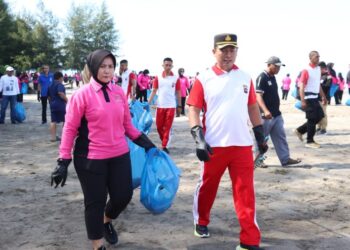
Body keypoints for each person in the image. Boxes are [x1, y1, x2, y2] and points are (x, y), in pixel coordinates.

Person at [50, 49, 156, 250]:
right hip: (90, 158)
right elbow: (70, 129)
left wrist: (147, 143)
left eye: (110, 66)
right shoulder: (81, 95)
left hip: (119, 155)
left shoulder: (118, 93)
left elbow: (128, 126)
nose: (107, 71)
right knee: (94, 203)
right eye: (102, 66)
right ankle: (97, 245)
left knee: (123, 196)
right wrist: (63, 161)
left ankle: (106, 220)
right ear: (92, 68)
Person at [187, 33, 268, 250]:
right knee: (207, 188)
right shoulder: (203, 78)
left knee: (245, 193)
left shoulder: (245, 77)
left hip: (242, 145)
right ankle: (201, 220)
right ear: (214, 52)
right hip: (214, 146)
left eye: (232, 49)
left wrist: (259, 134)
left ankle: (250, 240)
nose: (228, 54)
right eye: (223, 50)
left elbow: (252, 106)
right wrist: (198, 138)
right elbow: (193, 107)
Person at [255, 57, 301, 167]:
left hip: (276, 114)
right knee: (262, 139)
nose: (278, 68)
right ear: (269, 65)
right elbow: (258, 96)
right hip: (265, 116)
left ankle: (285, 159)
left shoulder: (273, 78)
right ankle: (258, 160)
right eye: (276, 66)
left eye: (279, 66)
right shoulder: (262, 77)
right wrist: (265, 111)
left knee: (281, 137)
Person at [148, 57, 182, 154]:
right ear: (163, 65)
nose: (168, 67)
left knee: (167, 127)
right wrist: (148, 102)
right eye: (166, 65)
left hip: (171, 106)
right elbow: (154, 91)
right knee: (159, 126)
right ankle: (165, 140)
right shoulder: (158, 77)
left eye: (169, 65)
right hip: (160, 106)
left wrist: (179, 106)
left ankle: (164, 146)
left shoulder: (175, 78)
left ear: (172, 66)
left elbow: (178, 92)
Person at [294, 51, 327, 148]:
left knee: (320, 116)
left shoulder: (318, 69)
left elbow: (318, 84)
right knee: (312, 119)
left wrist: (323, 96)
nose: (318, 58)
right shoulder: (306, 70)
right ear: (311, 58)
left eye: (319, 57)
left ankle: (300, 130)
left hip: (315, 98)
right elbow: (301, 86)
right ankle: (310, 141)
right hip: (308, 98)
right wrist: (303, 100)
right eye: (316, 57)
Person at [48, 72, 68, 142]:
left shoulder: (50, 85)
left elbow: (49, 97)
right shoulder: (59, 84)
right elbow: (60, 93)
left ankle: (53, 137)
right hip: (60, 104)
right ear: (60, 77)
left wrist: (51, 103)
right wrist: (67, 100)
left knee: (53, 121)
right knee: (65, 120)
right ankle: (64, 136)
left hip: (52, 104)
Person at [317, 61, 331, 135]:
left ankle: (324, 128)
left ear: (323, 68)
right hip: (317, 98)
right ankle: (319, 127)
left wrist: (323, 97)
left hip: (324, 98)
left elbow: (327, 87)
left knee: (323, 113)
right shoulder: (318, 76)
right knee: (318, 113)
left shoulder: (328, 76)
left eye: (319, 68)